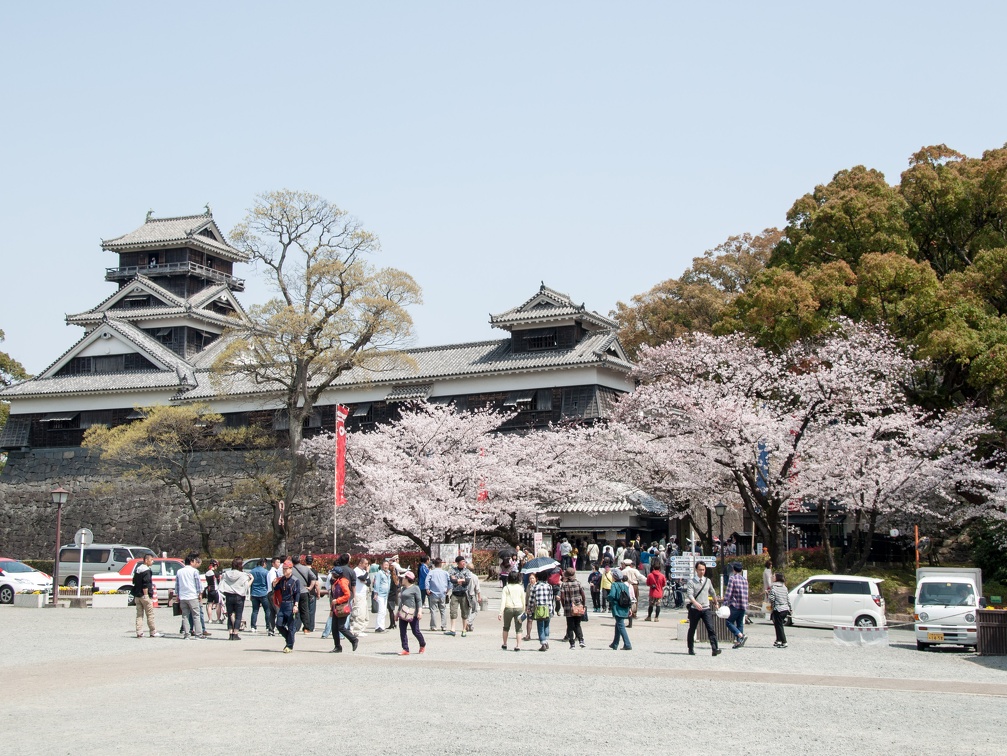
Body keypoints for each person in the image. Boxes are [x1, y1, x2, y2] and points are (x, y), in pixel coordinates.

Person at [686, 561, 721, 657]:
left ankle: (715, 648)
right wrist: (695, 603)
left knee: (711, 628)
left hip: (706, 608)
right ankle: (690, 648)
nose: (702, 571)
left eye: (703, 570)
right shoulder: (691, 582)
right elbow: (689, 594)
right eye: (700, 570)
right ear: (696, 570)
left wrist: (716, 603)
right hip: (694, 609)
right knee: (692, 629)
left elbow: (712, 592)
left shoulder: (708, 581)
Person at [218, 557, 252, 640]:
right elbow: (246, 586)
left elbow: (221, 584)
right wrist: (252, 579)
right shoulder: (243, 575)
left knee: (230, 615)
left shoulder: (226, 574)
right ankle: (236, 633)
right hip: (239, 596)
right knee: (238, 615)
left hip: (229, 595)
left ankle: (230, 633)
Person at [272, 560, 301, 653]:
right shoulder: (282, 580)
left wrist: (296, 605)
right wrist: (274, 584)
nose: (284, 571)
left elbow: (297, 593)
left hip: (291, 604)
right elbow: (277, 589)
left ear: (290, 569)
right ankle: (289, 638)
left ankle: (289, 645)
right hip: (283, 604)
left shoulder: (295, 580)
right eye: (283, 569)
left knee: (291, 626)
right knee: (279, 624)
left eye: (286, 569)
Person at [329, 565, 359, 653]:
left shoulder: (342, 582)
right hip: (335, 608)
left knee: (341, 627)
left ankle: (354, 639)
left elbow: (347, 595)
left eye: (332, 573)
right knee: (334, 628)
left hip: (342, 607)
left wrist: (337, 601)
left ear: (336, 574)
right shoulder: (336, 582)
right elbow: (333, 596)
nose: (331, 575)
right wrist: (331, 609)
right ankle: (337, 646)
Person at [395, 570, 426, 655]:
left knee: (415, 631)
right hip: (403, 612)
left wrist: (420, 611)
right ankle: (406, 649)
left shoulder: (415, 588)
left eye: (404, 578)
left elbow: (419, 600)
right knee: (402, 631)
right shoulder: (403, 588)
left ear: (407, 579)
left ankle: (422, 644)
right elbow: (401, 602)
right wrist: (397, 613)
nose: (402, 579)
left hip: (413, 613)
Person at [175, 554, 204, 639]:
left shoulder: (179, 571)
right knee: (196, 615)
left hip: (183, 596)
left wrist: (177, 595)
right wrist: (200, 594)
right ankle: (198, 634)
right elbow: (198, 584)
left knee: (185, 616)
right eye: (195, 561)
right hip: (192, 595)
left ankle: (186, 634)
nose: (196, 562)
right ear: (191, 562)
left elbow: (177, 585)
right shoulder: (194, 571)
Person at [131, 553, 161, 638]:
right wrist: (146, 595)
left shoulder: (137, 569)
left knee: (139, 615)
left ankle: (139, 632)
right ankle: (153, 631)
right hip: (144, 595)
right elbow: (146, 584)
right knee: (150, 614)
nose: (152, 561)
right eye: (151, 560)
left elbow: (134, 581)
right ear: (146, 560)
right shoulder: (147, 571)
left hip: (137, 595)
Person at [559, 567, 587, 649]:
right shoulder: (578, 583)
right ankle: (581, 639)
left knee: (570, 625)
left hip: (568, 606)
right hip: (578, 605)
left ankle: (572, 644)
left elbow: (562, 597)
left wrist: (564, 605)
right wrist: (583, 604)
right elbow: (583, 595)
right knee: (578, 624)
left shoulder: (564, 584)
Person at [723, 561, 749, 648]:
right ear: (741, 570)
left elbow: (728, 593)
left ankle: (741, 636)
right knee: (740, 623)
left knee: (729, 622)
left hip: (735, 604)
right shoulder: (745, 580)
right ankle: (739, 642)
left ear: (733, 569)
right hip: (743, 604)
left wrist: (725, 603)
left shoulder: (732, 579)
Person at [498, 571, 526, 651]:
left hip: (508, 608)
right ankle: (518, 645)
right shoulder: (520, 588)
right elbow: (523, 600)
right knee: (519, 628)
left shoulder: (506, 588)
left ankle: (505, 643)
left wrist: (500, 612)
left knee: (506, 627)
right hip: (519, 608)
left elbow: (503, 601)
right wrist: (524, 611)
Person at [446, 556, 473, 637]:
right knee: (453, 611)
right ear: (458, 562)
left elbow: (467, 582)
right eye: (462, 561)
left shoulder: (467, 571)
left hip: (464, 593)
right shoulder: (452, 570)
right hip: (455, 593)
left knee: (465, 612)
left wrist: (458, 580)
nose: (464, 563)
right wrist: (461, 580)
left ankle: (464, 629)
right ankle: (453, 629)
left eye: (464, 561)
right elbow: (452, 580)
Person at [292, 555, 318, 634]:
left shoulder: (291, 570)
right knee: (305, 610)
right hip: (304, 591)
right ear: (300, 560)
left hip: (294, 592)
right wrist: (310, 587)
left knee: (295, 609)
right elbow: (314, 578)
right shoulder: (306, 569)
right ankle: (306, 628)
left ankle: (295, 627)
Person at [529, 571, 555, 651]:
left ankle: (543, 642)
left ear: (537, 578)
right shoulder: (549, 586)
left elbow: (532, 599)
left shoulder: (535, 587)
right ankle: (546, 640)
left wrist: (530, 608)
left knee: (540, 626)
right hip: (548, 608)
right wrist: (552, 609)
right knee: (547, 625)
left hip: (539, 608)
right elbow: (551, 598)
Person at [608, 569, 632, 650]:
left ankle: (627, 644)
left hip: (617, 607)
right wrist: (629, 608)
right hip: (625, 607)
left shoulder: (614, 585)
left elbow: (612, 595)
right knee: (618, 624)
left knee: (621, 625)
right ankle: (615, 643)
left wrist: (607, 598)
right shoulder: (625, 585)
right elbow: (629, 598)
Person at [249, 558, 274, 635]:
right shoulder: (266, 572)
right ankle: (267, 626)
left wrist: (250, 593)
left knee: (255, 611)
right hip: (264, 593)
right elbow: (268, 583)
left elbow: (251, 584)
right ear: (264, 563)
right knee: (267, 610)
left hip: (254, 593)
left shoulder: (252, 571)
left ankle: (253, 626)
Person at [768, 572, 791, 648]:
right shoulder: (784, 587)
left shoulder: (774, 587)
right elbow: (788, 598)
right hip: (785, 609)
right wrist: (790, 608)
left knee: (779, 626)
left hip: (778, 609)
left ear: (776, 578)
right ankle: (778, 640)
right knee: (778, 625)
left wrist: (768, 593)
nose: (772, 577)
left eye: (774, 576)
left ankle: (784, 642)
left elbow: (772, 598)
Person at [426, 558, 449, 631]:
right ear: (441, 564)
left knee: (433, 610)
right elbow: (450, 582)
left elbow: (427, 581)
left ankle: (433, 626)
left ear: (434, 564)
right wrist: (447, 589)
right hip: (442, 593)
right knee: (443, 610)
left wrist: (427, 589)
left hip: (433, 593)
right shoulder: (445, 573)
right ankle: (444, 626)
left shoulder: (431, 572)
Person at [351, 557, 371, 635]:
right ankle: (356, 630)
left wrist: (365, 579)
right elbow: (362, 578)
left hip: (364, 594)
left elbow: (368, 581)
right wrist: (367, 572)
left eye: (367, 564)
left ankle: (361, 629)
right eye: (365, 564)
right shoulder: (357, 570)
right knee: (358, 613)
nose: (367, 565)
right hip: (358, 594)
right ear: (360, 563)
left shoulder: (363, 571)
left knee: (364, 614)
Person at [622, 559, 643, 628]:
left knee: (625, 599)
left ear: (624, 564)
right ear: (631, 564)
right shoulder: (635, 570)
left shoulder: (623, 571)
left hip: (625, 585)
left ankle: (627, 613)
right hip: (634, 585)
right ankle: (634, 612)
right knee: (635, 599)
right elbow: (640, 577)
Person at [372, 559, 391, 633]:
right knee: (381, 611)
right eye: (385, 565)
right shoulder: (379, 573)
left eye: (387, 565)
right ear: (382, 565)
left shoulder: (388, 573)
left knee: (384, 611)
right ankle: (378, 627)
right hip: (380, 594)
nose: (386, 566)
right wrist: (376, 593)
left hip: (385, 595)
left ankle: (382, 626)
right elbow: (377, 583)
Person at [204, 559, 222, 624]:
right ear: (215, 565)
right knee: (218, 604)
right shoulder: (216, 573)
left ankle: (210, 619)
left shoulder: (207, 573)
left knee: (209, 605)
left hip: (209, 590)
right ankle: (218, 619)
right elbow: (219, 581)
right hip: (215, 590)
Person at [522, 573, 537, 641]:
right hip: (530, 606)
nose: (531, 580)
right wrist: (526, 605)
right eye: (530, 578)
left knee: (539, 621)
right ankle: (528, 635)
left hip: (536, 606)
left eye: (533, 578)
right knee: (529, 620)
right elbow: (527, 596)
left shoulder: (537, 586)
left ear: (536, 579)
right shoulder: (528, 586)